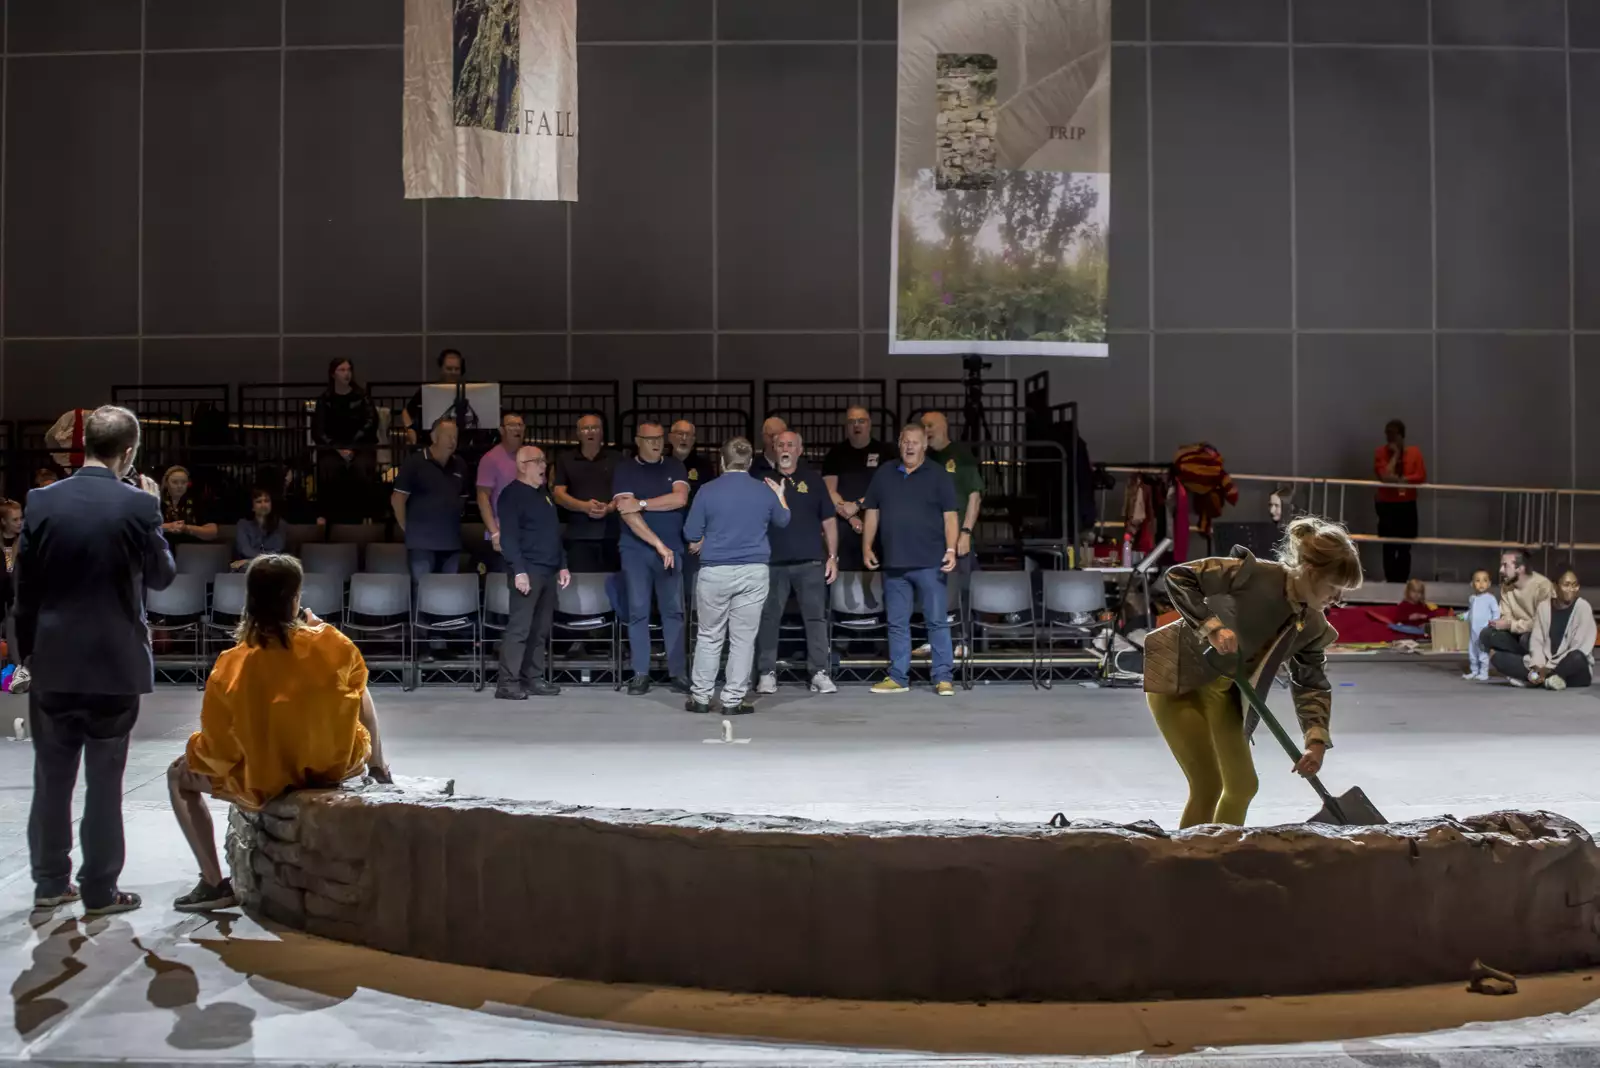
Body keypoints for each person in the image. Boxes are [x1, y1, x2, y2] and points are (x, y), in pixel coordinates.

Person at [16, 405, 177, 915]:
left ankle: (49, 883)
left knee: (51, 779)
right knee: (104, 785)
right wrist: (153, 515)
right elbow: (162, 577)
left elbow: (24, 594)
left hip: (54, 661)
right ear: (129, 452)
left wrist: (26, 659)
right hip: (114, 664)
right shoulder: (139, 505)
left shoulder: (41, 501)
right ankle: (100, 891)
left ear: (85, 445)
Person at [168, 554, 390, 911]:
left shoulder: (232, 663)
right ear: (295, 598)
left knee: (177, 775)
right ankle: (378, 765)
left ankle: (212, 882)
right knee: (357, 684)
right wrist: (321, 632)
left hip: (268, 778)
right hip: (336, 765)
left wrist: (197, 753)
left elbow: (218, 748)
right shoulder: (333, 642)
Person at [1145, 516, 1361, 829]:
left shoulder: (1313, 626)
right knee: (1208, 784)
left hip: (1227, 694)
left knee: (1242, 786)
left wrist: (1315, 742)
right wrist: (1212, 627)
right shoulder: (1250, 573)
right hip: (1180, 676)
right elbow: (1180, 577)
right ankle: (1187, 855)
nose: (1337, 599)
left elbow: (1311, 683)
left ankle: (1221, 850)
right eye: (1334, 587)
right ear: (1311, 571)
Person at [682, 438, 790, 715]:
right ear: (750, 462)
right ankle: (733, 700)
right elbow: (783, 520)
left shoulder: (707, 490)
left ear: (721, 461)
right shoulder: (763, 490)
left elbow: (691, 533)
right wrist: (780, 495)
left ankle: (701, 698)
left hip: (714, 571)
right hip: (753, 571)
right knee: (743, 639)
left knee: (709, 635)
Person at [861, 423, 960, 696]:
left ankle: (943, 678)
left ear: (924, 445)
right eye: (905, 441)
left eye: (915, 442)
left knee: (936, 621)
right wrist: (866, 546)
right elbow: (872, 511)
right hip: (894, 563)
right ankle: (898, 677)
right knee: (897, 623)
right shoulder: (884, 473)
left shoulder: (938, 475)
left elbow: (950, 516)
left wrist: (951, 549)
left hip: (930, 562)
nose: (909, 446)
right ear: (899, 443)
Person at [754, 431, 839, 696]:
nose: (785, 448)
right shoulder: (762, 480)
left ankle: (819, 672)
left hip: (811, 562)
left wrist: (832, 557)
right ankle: (766, 673)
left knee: (815, 618)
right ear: (773, 449)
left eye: (791, 444)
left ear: (800, 450)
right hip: (772, 563)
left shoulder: (813, 480)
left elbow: (828, 520)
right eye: (780, 444)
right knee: (769, 618)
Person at [612, 422, 690, 696]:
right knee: (638, 611)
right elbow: (627, 512)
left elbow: (680, 499)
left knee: (674, 611)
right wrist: (658, 544)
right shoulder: (625, 469)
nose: (657, 443)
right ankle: (640, 674)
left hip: (673, 548)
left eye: (659, 438)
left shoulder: (675, 466)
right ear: (638, 441)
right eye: (650, 439)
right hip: (636, 550)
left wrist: (642, 503)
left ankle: (678, 673)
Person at [494, 446, 570, 700]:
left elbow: (553, 532)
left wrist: (562, 564)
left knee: (540, 629)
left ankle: (533, 678)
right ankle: (508, 683)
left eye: (544, 461)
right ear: (522, 465)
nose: (543, 466)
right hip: (528, 570)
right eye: (538, 461)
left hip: (548, 570)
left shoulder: (544, 494)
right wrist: (519, 571)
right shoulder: (511, 495)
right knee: (520, 628)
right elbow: (509, 538)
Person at [392, 417, 469, 651]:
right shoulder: (415, 462)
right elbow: (397, 499)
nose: (453, 441)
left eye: (455, 436)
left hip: (451, 540)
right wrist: (407, 528)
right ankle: (421, 643)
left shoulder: (460, 465)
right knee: (422, 590)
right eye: (448, 436)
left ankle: (440, 641)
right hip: (422, 541)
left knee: (446, 592)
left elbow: (462, 499)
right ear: (434, 437)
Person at [823, 406, 894, 571]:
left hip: (877, 517)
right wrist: (850, 516)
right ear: (846, 427)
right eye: (851, 422)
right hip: (845, 518)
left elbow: (887, 488)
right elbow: (830, 490)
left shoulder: (885, 453)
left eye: (861, 421)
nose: (856, 425)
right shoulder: (835, 454)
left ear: (869, 424)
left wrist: (858, 504)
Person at [312, 357, 380, 523]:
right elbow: (319, 430)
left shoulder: (362, 396)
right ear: (333, 374)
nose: (346, 374)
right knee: (329, 467)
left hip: (360, 446)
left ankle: (366, 514)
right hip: (333, 448)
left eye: (349, 370)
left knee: (361, 468)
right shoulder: (325, 399)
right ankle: (325, 515)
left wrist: (352, 447)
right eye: (342, 370)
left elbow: (370, 423)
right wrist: (338, 448)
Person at [553, 412, 620, 574]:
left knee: (614, 584)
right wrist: (583, 506)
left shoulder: (617, 459)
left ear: (602, 432)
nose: (590, 432)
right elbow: (558, 494)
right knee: (580, 583)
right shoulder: (565, 459)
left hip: (612, 534)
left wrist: (609, 508)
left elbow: (626, 493)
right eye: (585, 428)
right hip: (578, 535)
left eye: (595, 428)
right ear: (578, 433)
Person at [1511, 567, 1595, 691]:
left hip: (1574, 670)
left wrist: (1547, 669)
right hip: (1545, 665)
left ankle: (1537, 679)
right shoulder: (1544, 607)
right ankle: (1549, 680)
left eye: (1575, 585)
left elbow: (1581, 647)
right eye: (1566, 585)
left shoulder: (1583, 607)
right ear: (1555, 586)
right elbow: (1537, 641)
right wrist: (1538, 666)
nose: (1571, 589)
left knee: (1577, 657)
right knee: (1500, 658)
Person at [1479, 550, 1554, 673]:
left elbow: (1543, 623)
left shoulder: (1543, 586)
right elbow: (1506, 615)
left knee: (1527, 639)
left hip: (1538, 636)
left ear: (1520, 568)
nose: (1501, 570)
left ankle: (1527, 666)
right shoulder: (1507, 586)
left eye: (1505, 565)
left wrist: (1511, 625)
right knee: (1487, 634)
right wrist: (1502, 623)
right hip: (1517, 634)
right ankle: (1524, 663)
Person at [1374, 419, 1426, 583]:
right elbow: (1384, 476)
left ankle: (1401, 581)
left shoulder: (1414, 452)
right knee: (1388, 546)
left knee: (1405, 546)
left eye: (1393, 434)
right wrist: (1395, 455)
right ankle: (1390, 581)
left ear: (1401, 436)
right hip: (1387, 505)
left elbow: (1421, 476)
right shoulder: (1380, 453)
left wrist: (1404, 480)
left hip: (1406, 505)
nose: (1389, 438)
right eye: (1387, 434)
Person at [476, 411, 527, 557]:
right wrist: (494, 532)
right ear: (501, 430)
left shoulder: (530, 456)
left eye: (520, 425)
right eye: (512, 425)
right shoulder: (490, 459)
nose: (517, 429)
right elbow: (483, 498)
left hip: (529, 533)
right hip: (502, 534)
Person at [403, 348, 466, 446]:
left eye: (456, 369)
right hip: (431, 443)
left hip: (462, 442)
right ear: (441, 369)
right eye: (449, 369)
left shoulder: (468, 390)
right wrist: (410, 429)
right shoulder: (429, 390)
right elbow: (407, 412)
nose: (453, 372)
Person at [159, 466, 220, 546]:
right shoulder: (156, 502)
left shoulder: (197, 503)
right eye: (175, 482)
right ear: (166, 483)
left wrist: (186, 528)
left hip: (191, 549)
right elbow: (147, 528)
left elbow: (213, 531)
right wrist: (169, 527)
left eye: (183, 482)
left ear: (188, 484)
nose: (179, 486)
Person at [232, 487, 288, 567]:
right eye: (259, 502)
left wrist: (249, 561)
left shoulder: (281, 524)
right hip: (248, 567)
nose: (263, 505)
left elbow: (277, 551)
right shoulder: (242, 524)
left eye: (266, 501)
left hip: (272, 565)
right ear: (252, 506)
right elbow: (245, 550)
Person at [1, 499, 23, 692]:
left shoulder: (24, 542)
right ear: (3, 521)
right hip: (2, 596)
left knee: (13, 628)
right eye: (14, 519)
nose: (19, 523)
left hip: (16, 599)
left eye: (20, 518)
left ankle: (19, 670)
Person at [1464, 569, 1501, 682]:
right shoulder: (1472, 598)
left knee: (1483, 652)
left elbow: (1496, 612)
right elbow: (1471, 612)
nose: (1481, 583)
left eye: (1485, 580)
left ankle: (1484, 672)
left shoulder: (1490, 598)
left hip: (1484, 631)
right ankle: (1474, 671)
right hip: (1473, 632)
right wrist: (1463, 616)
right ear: (1472, 584)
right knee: (1472, 651)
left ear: (1489, 584)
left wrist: (1493, 623)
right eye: (1477, 580)